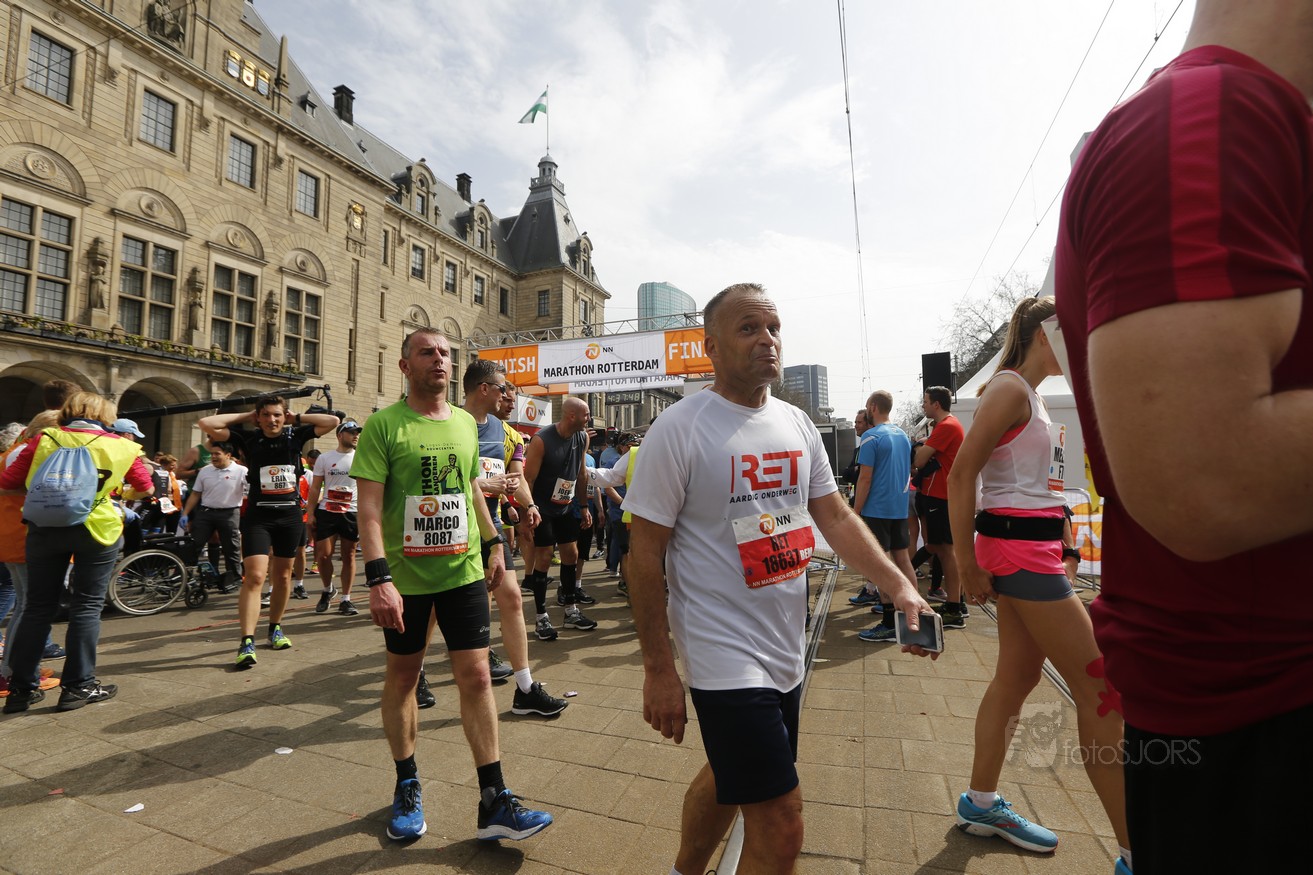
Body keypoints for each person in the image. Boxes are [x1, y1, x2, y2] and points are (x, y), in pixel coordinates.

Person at [1054, 4, 1313, 871]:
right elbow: (1206, 477)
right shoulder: (1208, 115)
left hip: (1243, 713)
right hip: (1262, 723)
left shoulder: (1243, 117)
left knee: (1028, 682)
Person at [623, 282, 936, 874]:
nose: (767, 339)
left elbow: (835, 517)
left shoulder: (796, 423)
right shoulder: (679, 429)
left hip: (786, 644)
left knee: (732, 776)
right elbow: (642, 556)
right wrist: (659, 669)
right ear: (711, 347)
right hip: (721, 650)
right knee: (782, 822)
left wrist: (898, 584)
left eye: (773, 328)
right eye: (748, 328)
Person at [946, 297, 1129, 869]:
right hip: (1018, 552)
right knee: (1101, 689)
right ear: (1045, 333)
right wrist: (967, 564)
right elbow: (961, 474)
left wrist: (1064, 544)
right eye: (1071, 328)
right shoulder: (1010, 391)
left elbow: (1035, 486)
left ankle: (979, 804)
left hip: (1029, 549)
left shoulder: (1029, 394)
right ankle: (1135, 851)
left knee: (1017, 676)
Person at [354, 327, 553, 843]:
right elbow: (368, 509)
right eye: (427, 352)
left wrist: (493, 543)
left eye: (444, 352)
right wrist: (378, 578)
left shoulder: (466, 423)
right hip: (406, 579)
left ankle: (494, 800)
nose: (438, 359)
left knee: (479, 677)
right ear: (405, 366)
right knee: (404, 678)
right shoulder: (383, 426)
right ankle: (407, 783)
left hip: (462, 570)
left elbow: (469, 489)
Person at [1, 392, 154, 713]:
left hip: (44, 528)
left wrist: (49, 492)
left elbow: (7, 482)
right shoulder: (123, 446)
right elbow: (146, 488)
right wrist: (114, 491)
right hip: (96, 529)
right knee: (86, 608)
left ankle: (21, 690)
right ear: (105, 415)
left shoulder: (44, 439)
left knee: (36, 609)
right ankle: (78, 686)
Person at [461, 360, 567, 717]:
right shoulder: (449, 424)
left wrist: (529, 504)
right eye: (502, 388)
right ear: (484, 389)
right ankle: (417, 674)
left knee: (511, 599)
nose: (508, 395)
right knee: (435, 609)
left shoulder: (506, 433)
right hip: (455, 528)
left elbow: (516, 476)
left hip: (490, 527)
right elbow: (440, 477)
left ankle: (525, 688)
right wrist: (483, 485)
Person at [198, 397, 338, 669]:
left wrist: (296, 418)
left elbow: (332, 421)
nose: (272, 420)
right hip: (259, 516)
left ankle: (275, 628)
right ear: (258, 417)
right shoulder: (248, 438)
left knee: (283, 576)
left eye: (277, 415)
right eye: (266, 415)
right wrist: (245, 416)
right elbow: (206, 423)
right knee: (255, 576)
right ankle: (246, 641)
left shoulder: (295, 435)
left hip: (289, 515)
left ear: (284, 416)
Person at [521, 397, 596, 639]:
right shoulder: (542, 440)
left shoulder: (582, 437)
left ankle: (571, 610)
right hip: (542, 508)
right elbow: (528, 479)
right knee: (544, 558)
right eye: (586, 415)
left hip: (565, 506)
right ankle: (541, 617)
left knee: (571, 554)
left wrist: (583, 506)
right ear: (572, 416)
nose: (589, 419)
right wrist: (528, 512)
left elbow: (582, 473)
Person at [850, 390, 917, 643]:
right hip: (898, 507)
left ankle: (890, 623)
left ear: (873, 407)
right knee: (903, 559)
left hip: (876, 509)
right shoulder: (903, 436)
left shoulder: (871, 437)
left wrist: (855, 512)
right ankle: (914, 612)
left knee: (881, 564)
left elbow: (864, 479)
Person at [913, 386, 967, 629]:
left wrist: (921, 447)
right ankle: (957, 602)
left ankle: (955, 606)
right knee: (939, 547)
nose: (923, 405)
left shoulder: (946, 426)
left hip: (940, 495)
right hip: (941, 494)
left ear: (936, 404)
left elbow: (919, 460)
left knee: (946, 551)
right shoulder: (948, 425)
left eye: (925, 401)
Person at [306, 422, 362, 616]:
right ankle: (327, 589)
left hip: (351, 511)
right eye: (351, 432)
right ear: (340, 435)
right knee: (323, 555)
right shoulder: (325, 458)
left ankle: (346, 599)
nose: (355, 435)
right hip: (328, 511)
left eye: (357, 433)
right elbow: (315, 487)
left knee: (349, 555)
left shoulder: (361, 457)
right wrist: (310, 513)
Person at [179, 442, 247, 592]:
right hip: (206, 513)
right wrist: (185, 514)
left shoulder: (241, 471)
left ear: (228, 455)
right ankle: (184, 576)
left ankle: (234, 579)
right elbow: (196, 493)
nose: (213, 457)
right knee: (194, 544)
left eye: (217, 454)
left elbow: (250, 492)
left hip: (229, 513)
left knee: (231, 548)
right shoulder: (205, 471)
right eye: (212, 454)